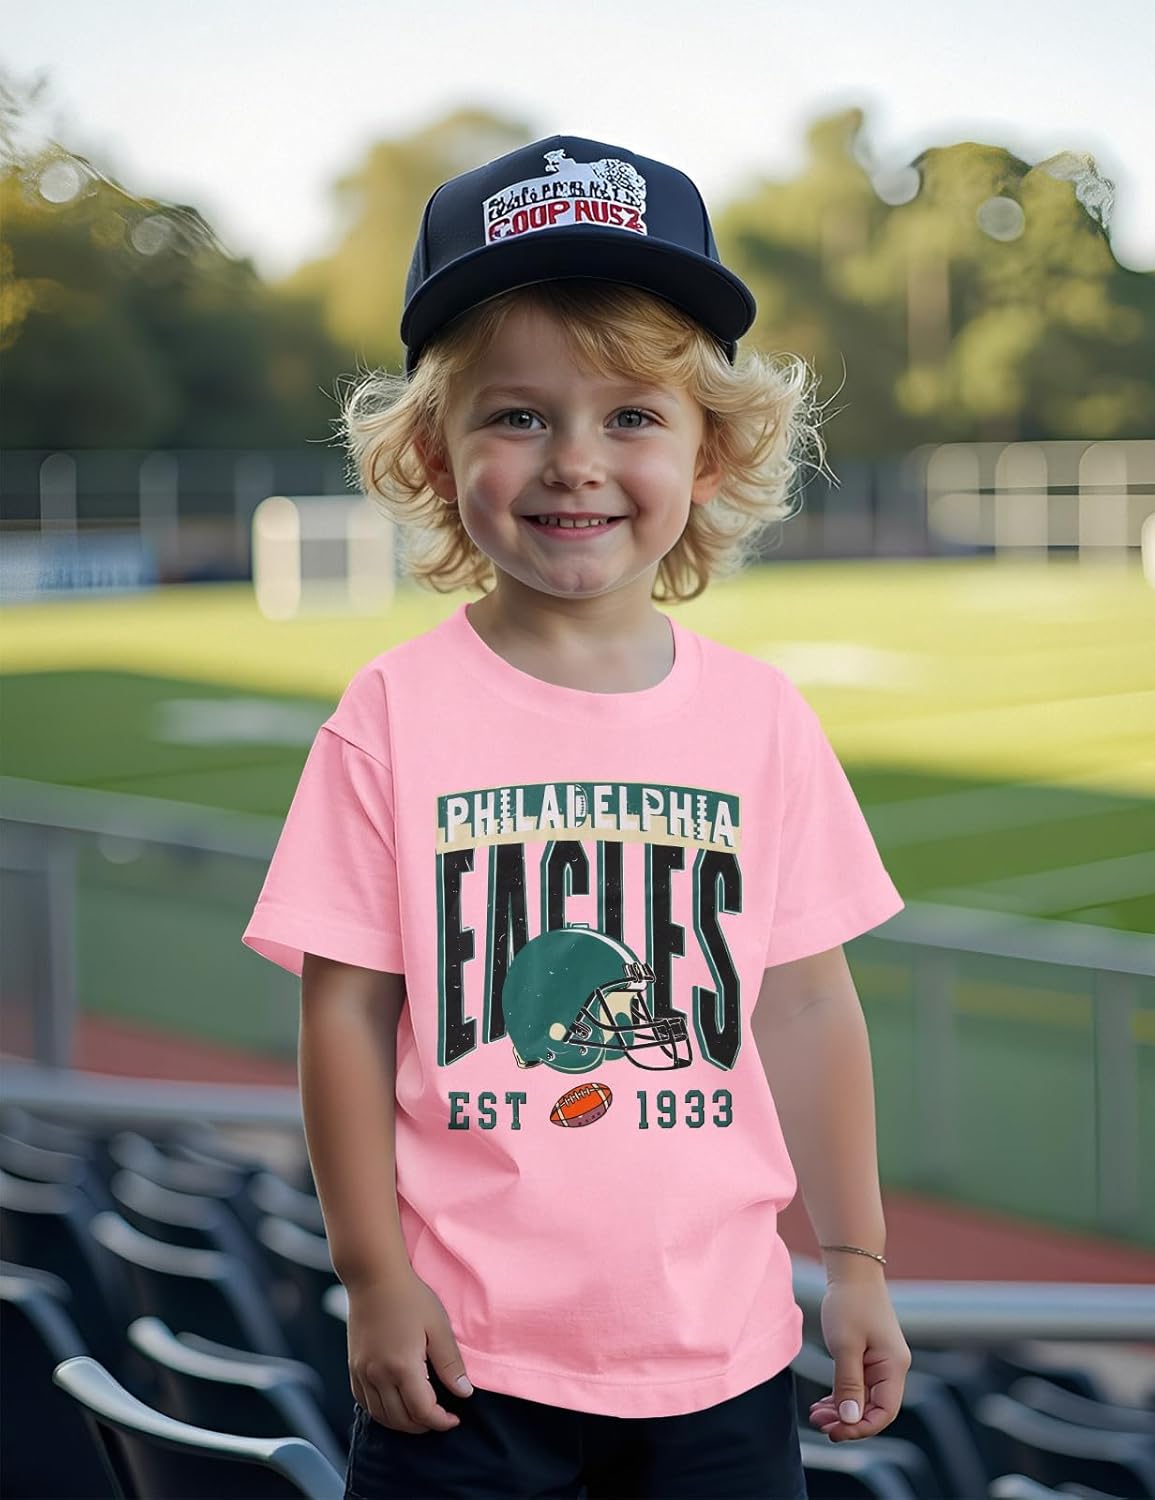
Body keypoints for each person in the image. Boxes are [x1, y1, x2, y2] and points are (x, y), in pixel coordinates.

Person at [242, 133, 911, 1500]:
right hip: (465, 1373)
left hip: (724, 1363)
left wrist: (856, 1262)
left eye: (631, 416)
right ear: (435, 453)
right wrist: (372, 1277)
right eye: (518, 414)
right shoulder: (389, 713)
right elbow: (345, 1015)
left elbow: (804, 1007)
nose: (574, 462)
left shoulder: (766, 720)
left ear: (713, 450)